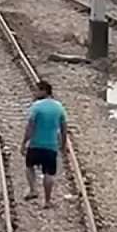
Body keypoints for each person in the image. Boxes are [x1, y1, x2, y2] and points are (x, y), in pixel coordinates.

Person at [22, 80, 68, 208]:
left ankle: (33, 190)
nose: (35, 93)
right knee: (49, 173)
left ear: (44, 91)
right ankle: (47, 201)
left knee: (29, 166)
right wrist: (63, 145)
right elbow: (64, 128)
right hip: (51, 146)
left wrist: (24, 142)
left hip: (35, 144)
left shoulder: (36, 106)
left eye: (37, 90)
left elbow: (30, 127)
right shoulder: (59, 107)